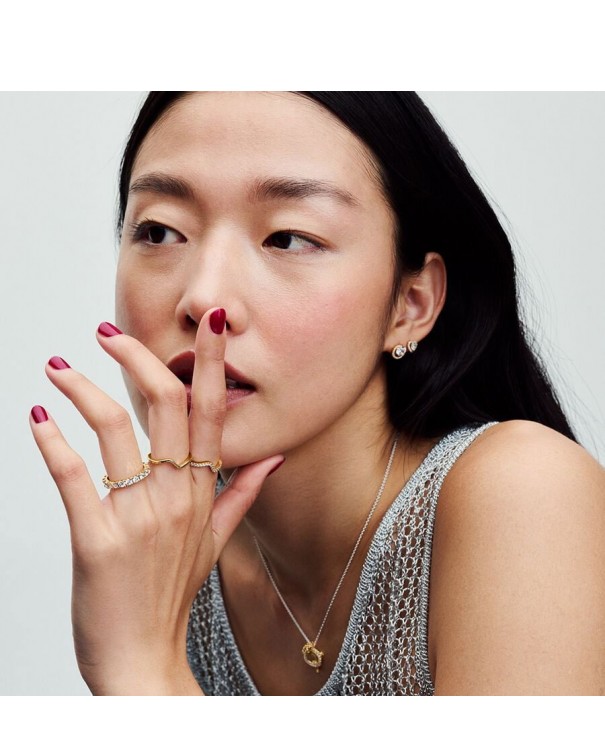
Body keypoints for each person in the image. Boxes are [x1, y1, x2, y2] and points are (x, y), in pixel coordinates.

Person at [29, 92, 605, 696]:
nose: (203, 299)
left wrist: (141, 668)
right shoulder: (167, 550)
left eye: (287, 239)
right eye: (160, 231)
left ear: (411, 305)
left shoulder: (526, 492)